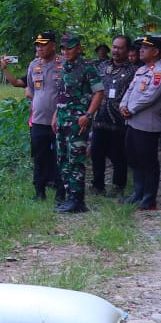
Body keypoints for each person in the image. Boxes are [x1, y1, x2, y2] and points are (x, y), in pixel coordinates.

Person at [1, 31, 63, 202]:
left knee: (60, 157)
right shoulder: (33, 65)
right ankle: (39, 192)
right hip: (38, 121)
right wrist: (5, 68)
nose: (40, 47)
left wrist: (59, 113)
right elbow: (29, 89)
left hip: (59, 121)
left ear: (53, 45)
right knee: (39, 157)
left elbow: (69, 93)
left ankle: (60, 192)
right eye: (38, 44)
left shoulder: (64, 64)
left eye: (43, 44)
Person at [118, 35, 161, 210]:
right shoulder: (141, 70)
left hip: (147, 125)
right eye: (141, 47)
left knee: (148, 161)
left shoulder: (160, 72)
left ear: (156, 51)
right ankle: (137, 193)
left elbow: (150, 96)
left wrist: (130, 109)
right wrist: (123, 105)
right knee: (133, 158)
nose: (141, 50)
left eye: (146, 48)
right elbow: (130, 90)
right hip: (132, 122)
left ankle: (149, 198)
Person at [53, 33, 104, 213]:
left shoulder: (87, 68)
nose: (66, 51)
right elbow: (61, 95)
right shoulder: (64, 68)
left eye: (70, 47)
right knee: (62, 159)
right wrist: (55, 116)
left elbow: (99, 92)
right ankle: (69, 197)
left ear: (79, 48)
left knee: (75, 160)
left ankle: (77, 199)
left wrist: (88, 115)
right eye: (63, 48)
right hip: (62, 120)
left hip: (78, 121)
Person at [92, 35, 135, 197]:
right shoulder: (102, 67)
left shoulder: (133, 70)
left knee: (118, 155)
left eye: (120, 48)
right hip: (100, 118)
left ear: (127, 50)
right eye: (114, 47)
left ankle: (118, 186)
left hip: (120, 120)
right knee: (97, 153)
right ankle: (97, 185)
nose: (116, 51)